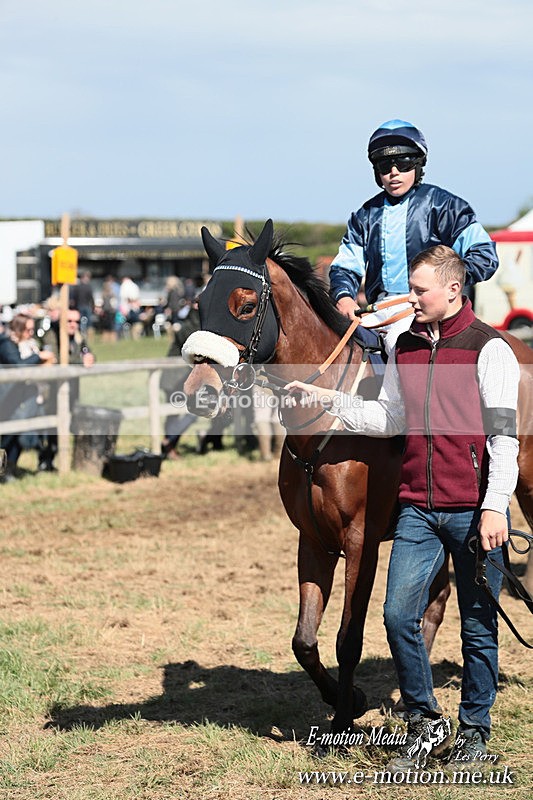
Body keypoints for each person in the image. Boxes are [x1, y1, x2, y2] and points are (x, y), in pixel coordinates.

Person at [286, 245, 520, 770]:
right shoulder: (407, 348)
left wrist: (495, 508)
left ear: (453, 289)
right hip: (417, 508)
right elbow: (389, 417)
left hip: (472, 511)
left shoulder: (490, 350)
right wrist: (326, 400)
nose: (408, 299)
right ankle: (425, 721)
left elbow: (504, 439)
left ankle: (474, 733)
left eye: (419, 291)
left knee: (479, 628)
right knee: (396, 616)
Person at [329, 119, 499, 353]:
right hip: (378, 310)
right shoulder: (364, 215)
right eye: (385, 165)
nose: (394, 172)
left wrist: (439, 285)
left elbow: (484, 256)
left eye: (404, 163)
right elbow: (345, 267)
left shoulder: (447, 207)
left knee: (397, 342)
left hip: (432, 310)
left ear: (418, 165)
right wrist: (344, 297)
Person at [0, 313, 56, 480]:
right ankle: (3, 471)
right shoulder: (6, 344)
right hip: (6, 396)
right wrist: (39, 357)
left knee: (19, 433)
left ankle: (10, 467)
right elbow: (18, 365)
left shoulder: (28, 344)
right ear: (18, 329)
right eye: (28, 329)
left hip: (22, 397)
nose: (31, 333)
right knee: (8, 435)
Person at [37, 308, 95, 471]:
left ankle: (74, 460)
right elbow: (55, 359)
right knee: (50, 427)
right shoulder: (51, 335)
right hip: (51, 390)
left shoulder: (78, 337)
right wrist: (79, 361)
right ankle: (45, 461)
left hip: (72, 389)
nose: (73, 325)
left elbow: (87, 352)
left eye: (76, 321)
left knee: (72, 422)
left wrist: (90, 357)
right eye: (69, 321)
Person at [70, 270, 95, 336]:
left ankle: (83, 333)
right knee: (87, 321)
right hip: (85, 306)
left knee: (82, 321)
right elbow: (91, 298)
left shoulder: (77, 287)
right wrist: (93, 306)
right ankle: (85, 333)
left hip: (81, 306)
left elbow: (74, 298)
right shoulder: (88, 287)